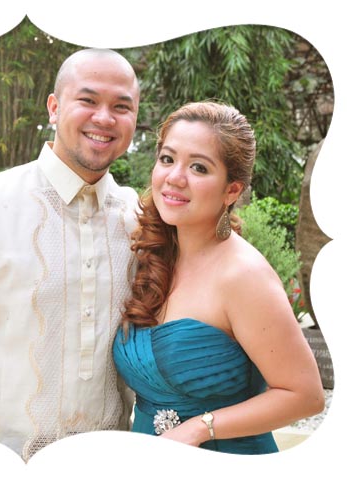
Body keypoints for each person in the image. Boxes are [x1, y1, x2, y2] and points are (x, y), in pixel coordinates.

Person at [0, 48, 141, 461]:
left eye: (121, 107)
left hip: (109, 459)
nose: (104, 118)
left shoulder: (139, 221)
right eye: (88, 100)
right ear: (54, 108)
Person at [113, 101, 325, 454]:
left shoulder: (244, 277)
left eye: (198, 167)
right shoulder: (152, 255)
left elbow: (306, 395)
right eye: (167, 159)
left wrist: (200, 427)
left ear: (232, 191)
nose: (175, 177)